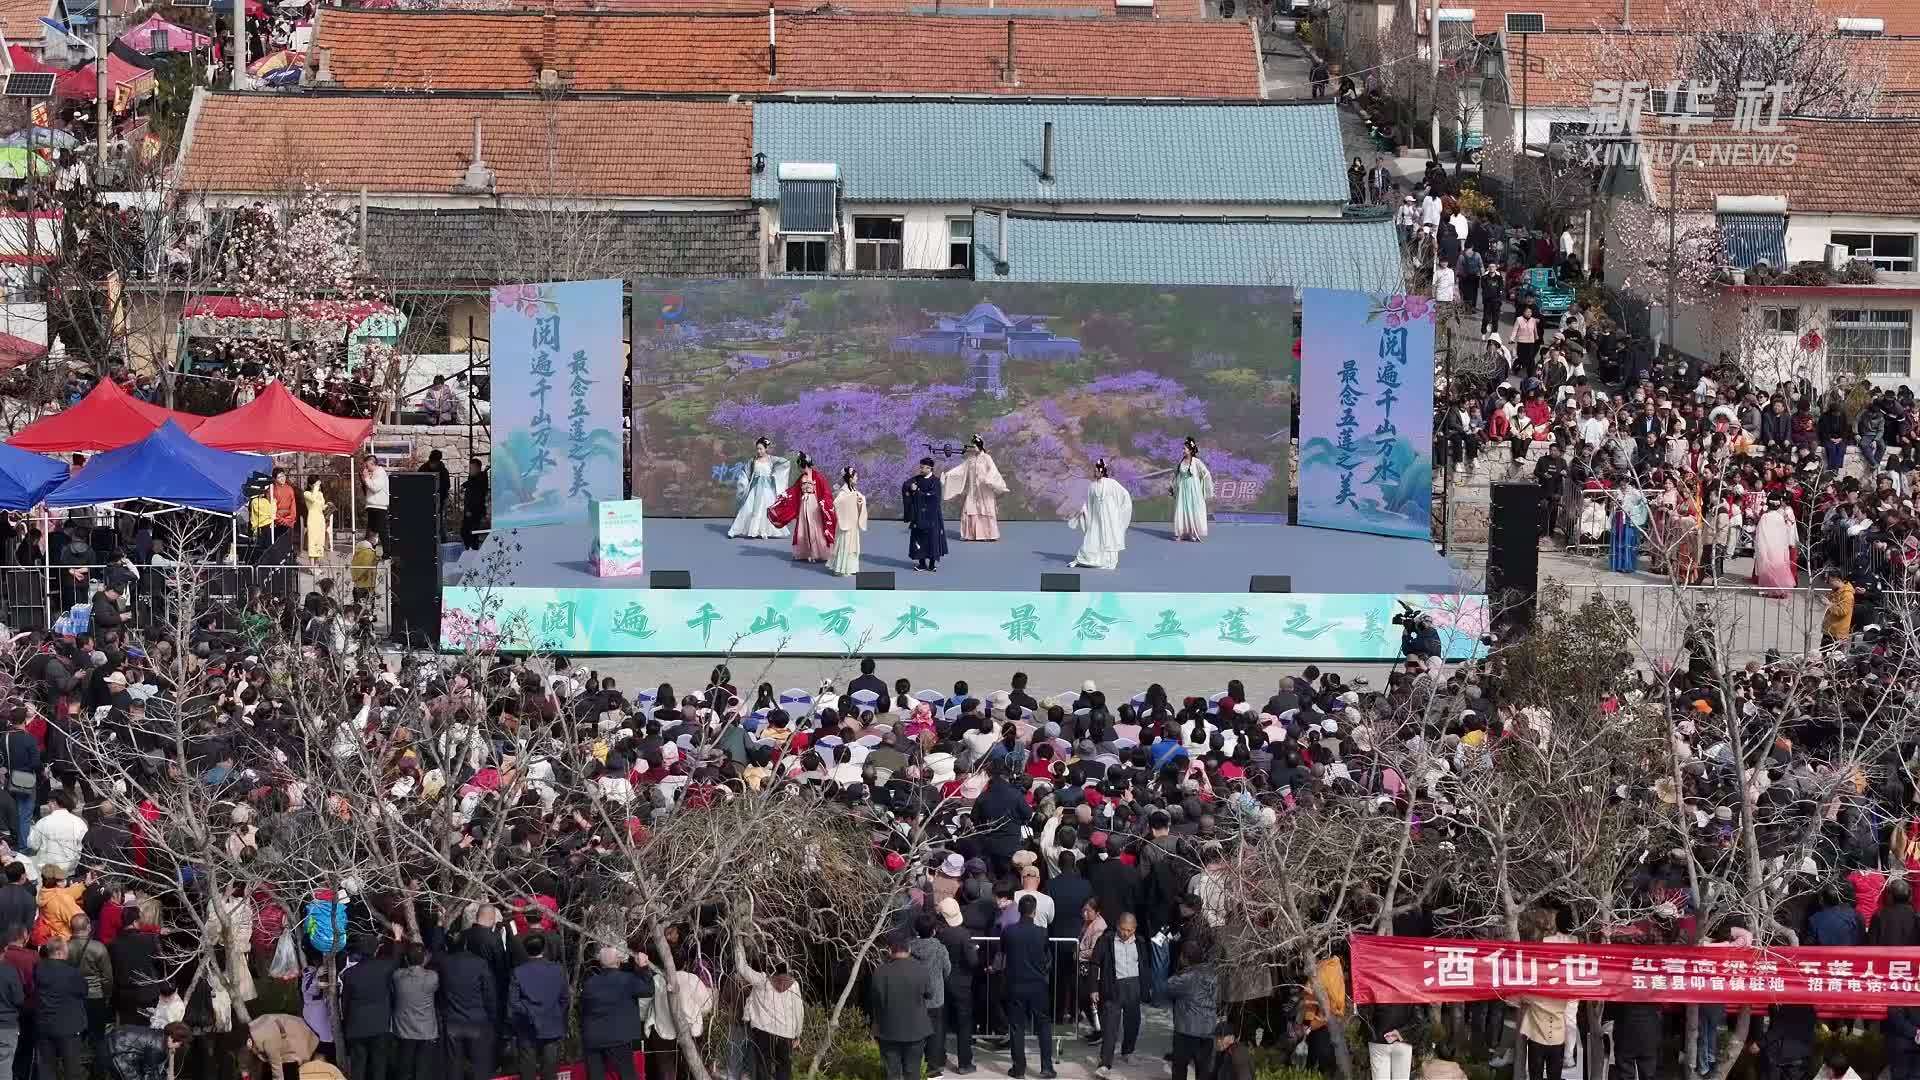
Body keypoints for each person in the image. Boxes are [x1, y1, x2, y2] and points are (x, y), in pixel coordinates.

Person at [578, 946, 654, 1080]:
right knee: (628, 1075)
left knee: (596, 1076)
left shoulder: (589, 983)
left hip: (593, 1038)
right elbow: (648, 990)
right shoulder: (627, 980)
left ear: (600, 964)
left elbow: (582, 1010)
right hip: (618, 1038)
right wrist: (643, 967)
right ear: (618, 962)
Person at [1091, 912, 1149, 1079]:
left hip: (1134, 985)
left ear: (1135, 929)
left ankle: (1128, 1052)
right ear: (1117, 926)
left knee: (1133, 1021)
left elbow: (1144, 964)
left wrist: (1145, 987)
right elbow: (1095, 964)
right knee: (1110, 1026)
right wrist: (1094, 988)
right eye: (1123, 929)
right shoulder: (1106, 940)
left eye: (1130, 930)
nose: (1126, 933)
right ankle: (1105, 1063)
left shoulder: (1140, 942)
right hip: (1113, 986)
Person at [1000, 895, 1053, 1080]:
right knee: (1043, 1025)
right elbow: (1047, 957)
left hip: (1016, 984)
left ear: (1019, 911)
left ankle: (1019, 1068)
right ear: (1034, 911)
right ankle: (1047, 1067)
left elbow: (1003, 952)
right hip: (1038, 985)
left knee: (1017, 1027)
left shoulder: (1009, 931)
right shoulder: (1042, 932)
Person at [868, 937, 933, 1080]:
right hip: (916, 1029)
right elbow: (930, 994)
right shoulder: (921, 969)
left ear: (890, 950)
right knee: (913, 1072)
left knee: (892, 1073)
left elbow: (874, 1000)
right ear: (909, 949)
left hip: (888, 1030)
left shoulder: (880, 972)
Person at [734, 942, 801, 1080]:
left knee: (762, 1068)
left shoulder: (762, 981)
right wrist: (797, 1034)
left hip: (764, 1032)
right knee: (784, 1069)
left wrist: (738, 943)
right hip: (786, 1034)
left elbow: (742, 968)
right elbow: (799, 1011)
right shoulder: (794, 985)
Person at [508, 933, 568, 1080]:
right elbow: (565, 998)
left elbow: (513, 1002)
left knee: (527, 1071)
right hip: (551, 1025)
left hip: (527, 1025)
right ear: (544, 948)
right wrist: (555, 1014)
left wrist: (529, 1012)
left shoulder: (518, 971)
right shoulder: (557, 970)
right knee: (550, 1071)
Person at [436, 933, 496, 1080]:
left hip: (452, 1021)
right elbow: (489, 994)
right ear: (466, 944)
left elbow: (441, 992)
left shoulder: (444, 964)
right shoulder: (480, 963)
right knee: (479, 1066)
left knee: (453, 1066)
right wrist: (492, 1017)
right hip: (476, 1021)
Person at [338, 936, 398, 1080]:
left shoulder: (348, 974)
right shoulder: (385, 967)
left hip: (356, 1028)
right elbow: (397, 958)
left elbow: (345, 1003)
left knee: (358, 1069)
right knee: (379, 1068)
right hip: (379, 1027)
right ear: (377, 949)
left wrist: (345, 1024)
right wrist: (397, 939)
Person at [767, 451, 837, 563]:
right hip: (804, 505)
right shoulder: (802, 478)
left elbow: (826, 491)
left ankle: (817, 552)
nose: (799, 469)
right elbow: (794, 490)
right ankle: (806, 552)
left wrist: (824, 501)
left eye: (800, 466)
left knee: (815, 527)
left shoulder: (818, 476)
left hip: (814, 505)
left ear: (804, 464)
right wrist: (785, 495)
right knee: (804, 527)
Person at [1165, 941, 1217, 1080]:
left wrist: (1180, 969)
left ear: (1184, 958)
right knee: (1204, 1070)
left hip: (1186, 1030)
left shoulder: (1186, 977)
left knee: (1180, 1068)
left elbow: (1168, 987)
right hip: (1208, 1030)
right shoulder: (1213, 974)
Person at [33, 938, 84, 1080]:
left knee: (46, 1069)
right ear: (60, 952)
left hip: (44, 1025)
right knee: (72, 1069)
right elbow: (83, 991)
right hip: (68, 1026)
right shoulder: (72, 973)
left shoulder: (38, 969)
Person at [1069, 460, 1133, 570]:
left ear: (1101, 471)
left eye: (1096, 471)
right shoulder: (1092, 486)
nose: (1094, 473)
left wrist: (1118, 511)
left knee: (1110, 536)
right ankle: (1089, 558)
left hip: (1110, 516)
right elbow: (1090, 503)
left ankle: (1109, 561)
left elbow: (1124, 495)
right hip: (1097, 517)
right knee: (1094, 536)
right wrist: (1084, 510)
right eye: (1094, 471)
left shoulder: (1112, 483)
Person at [944, 435, 1009, 542]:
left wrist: (989, 479)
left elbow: (993, 470)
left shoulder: (987, 458)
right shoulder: (971, 459)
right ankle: (970, 535)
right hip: (973, 490)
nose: (973, 449)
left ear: (980, 446)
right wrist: (949, 474)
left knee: (985, 509)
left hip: (984, 488)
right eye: (973, 446)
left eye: (974, 446)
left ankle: (988, 535)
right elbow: (961, 469)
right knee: (969, 509)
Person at [392, 944, 439, 1080]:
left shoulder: (397, 976)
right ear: (424, 959)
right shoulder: (432, 977)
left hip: (403, 1030)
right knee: (423, 1070)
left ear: (406, 959)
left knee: (404, 1069)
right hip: (426, 1031)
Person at [728, 438, 791, 540]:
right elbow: (745, 472)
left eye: (761, 449)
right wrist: (743, 482)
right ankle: (735, 530)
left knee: (766, 510)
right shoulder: (753, 460)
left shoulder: (771, 459)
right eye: (757, 449)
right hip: (755, 489)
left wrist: (774, 476)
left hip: (767, 489)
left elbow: (785, 463)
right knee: (747, 509)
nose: (759, 451)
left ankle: (763, 531)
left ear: (766, 448)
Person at [902, 458, 948, 573]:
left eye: (923, 467)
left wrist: (917, 492)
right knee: (919, 539)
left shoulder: (935, 481)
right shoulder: (917, 479)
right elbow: (906, 485)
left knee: (932, 539)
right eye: (920, 467)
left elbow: (933, 497)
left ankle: (932, 564)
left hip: (932, 517)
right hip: (919, 516)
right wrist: (910, 489)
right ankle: (922, 563)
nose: (921, 469)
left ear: (930, 468)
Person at [104, 1023, 187, 1080]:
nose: (178, 1047)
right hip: (116, 1050)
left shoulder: (160, 1034)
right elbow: (148, 1072)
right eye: (180, 1044)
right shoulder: (160, 1048)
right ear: (173, 1039)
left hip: (115, 1036)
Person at [248, 1014, 320, 1080]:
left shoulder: (268, 1044)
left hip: (300, 1038)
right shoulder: (253, 1029)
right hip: (294, 1028)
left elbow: (277, 1071)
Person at [1171, 438, 1216, 542]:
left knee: (1193, 509)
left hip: (1193, 489)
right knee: (1182, 508)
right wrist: (1172, 485)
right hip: (1183, 489)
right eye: (1183, 448)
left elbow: (1206, 473)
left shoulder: (1196, 462)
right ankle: (1181, 533)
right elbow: (1176, 474)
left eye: (1185, 449)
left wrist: (1201, 482)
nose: (1183, 450)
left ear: (1190, 450)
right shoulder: (1181, 461)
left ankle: (1193, 533)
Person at [1753, 494, 1797, 595]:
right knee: (1778, 566)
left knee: (1768, 567)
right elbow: (1784, 534)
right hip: (1779, 547)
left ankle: (1767, 589)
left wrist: (1760, 548)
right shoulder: (1780, 517)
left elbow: (1759, 535)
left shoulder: (1765, 517)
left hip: (1767, 546)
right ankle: (1779, 589)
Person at [829, 468, 868, 578]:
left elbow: (860, 498)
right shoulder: (844, 491)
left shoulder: (853, 490)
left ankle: (851, 567)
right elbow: (837, 502)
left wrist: (860, 501)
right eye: (855, 476)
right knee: (845, 543)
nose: (857, 478)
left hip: (853, 521)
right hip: (846, 522)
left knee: (852, 545)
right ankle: (841, 568)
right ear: (850, 478)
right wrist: (851, 498)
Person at [460, 457, 489, 550]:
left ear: (478, 468)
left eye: (472, 468)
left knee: (471, 532)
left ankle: (472, 549)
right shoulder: (474, 477)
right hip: (469, 509)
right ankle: (470, 548)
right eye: (470, 468)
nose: (470, 470)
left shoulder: (481, 477)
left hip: (475, 510)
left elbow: (476, 495)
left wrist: (469, 510)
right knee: (467, 532)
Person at [360, 457, 389, 546]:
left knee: (382, 531)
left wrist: (367, 478)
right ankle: (371, 552)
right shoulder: (372, 473)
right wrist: (365, 479)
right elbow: (368, 488)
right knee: (371, 532)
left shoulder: (380, 473)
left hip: (379, 506)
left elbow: (375, 488)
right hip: (372, 505)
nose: (366, 468)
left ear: (373, 464)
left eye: (367, 465)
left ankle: (387, 555)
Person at [302, 477, 331, 562]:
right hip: (312, 518)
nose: (317, 486)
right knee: (312, 541)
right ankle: (312, 566)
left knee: (320, 541)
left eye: (318, 484)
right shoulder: (306, 493)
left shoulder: (320, 494)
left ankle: (317, 564)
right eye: (315, 484)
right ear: (310, 485)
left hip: (321, 519)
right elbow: (313, 499)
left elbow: (321, 507)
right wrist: (316, 488)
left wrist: (327, 506)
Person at [1825, 570, 1856, 646]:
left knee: (1836, 656)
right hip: (1829, 630)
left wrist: (1829, 604)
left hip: (1838, 633)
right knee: (1824, 655)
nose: (1828, 583)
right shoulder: (1835, 591)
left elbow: (1842, 611)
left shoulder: (1847, 595)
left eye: (1829, 581)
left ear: (1838, 580)